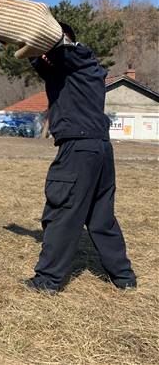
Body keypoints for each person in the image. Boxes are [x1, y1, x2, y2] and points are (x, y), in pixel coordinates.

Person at [24, 23, 137, 294]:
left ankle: (47, 281)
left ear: (61, 40)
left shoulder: (79, 57)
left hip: (78, 149)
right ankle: (124, 278)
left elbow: (61, 51)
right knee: (101, 217)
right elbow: (40, 62)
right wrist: (19, 41)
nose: (45, 56)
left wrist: (50, 38)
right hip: (99, 149)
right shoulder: (70, 71)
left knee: (62, 210)